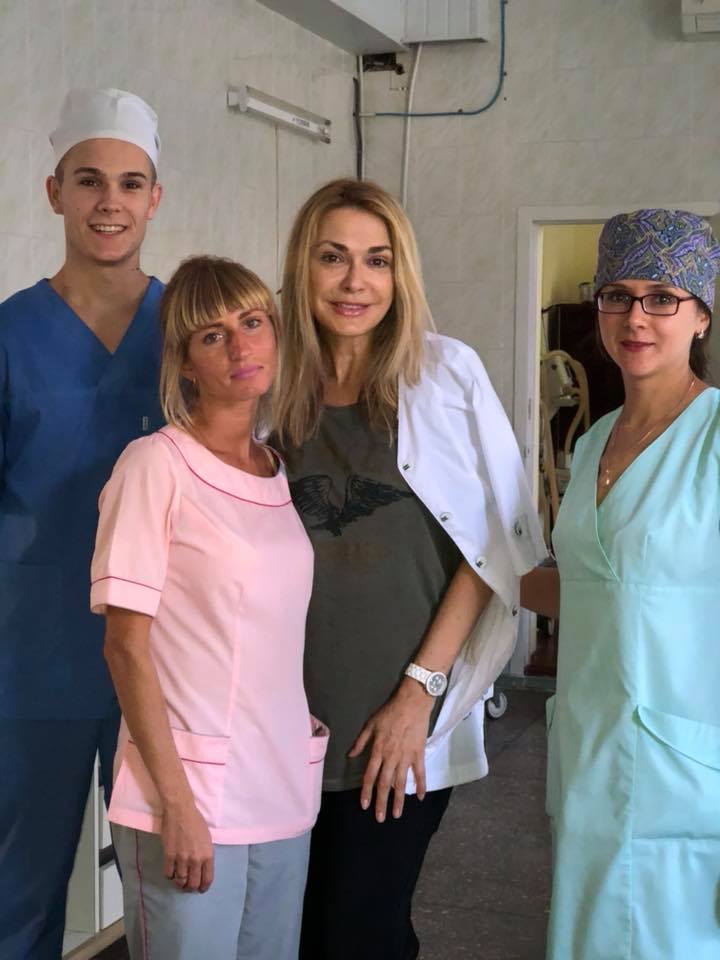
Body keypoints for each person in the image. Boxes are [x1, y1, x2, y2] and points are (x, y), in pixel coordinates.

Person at [273, 177, 546, 960]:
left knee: (361, 931)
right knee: (291, 933)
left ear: (401, 274)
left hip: (396, 721)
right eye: (333, 257)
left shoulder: (445, 375)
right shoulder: (271, 384)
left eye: (377, 260)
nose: (354, 282)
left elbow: (494, 546)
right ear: (302, 266)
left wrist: (417, 695)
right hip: (279, 719)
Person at [90, 256, 327, 960]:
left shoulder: (275, 469)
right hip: (188, 795)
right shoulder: (154, 465)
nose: (240, 346)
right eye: (212, 335)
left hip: (279, 785)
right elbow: (125, 647)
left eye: (253, 323)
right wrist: (176, 804)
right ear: (185, 362)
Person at [521, 209, 720, 960]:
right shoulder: (597, 440)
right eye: (617, 295)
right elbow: (594, 587)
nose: (636, 317)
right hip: (589, 757)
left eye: (662, 297)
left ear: (701, 315)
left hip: (689, 778)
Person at [0, 88, 163, 959]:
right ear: (53, 191)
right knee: (18, 896)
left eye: (130, 183)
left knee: (173, 894)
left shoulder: (193, 330)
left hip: (167, 658)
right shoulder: (10, 335)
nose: (110, 202)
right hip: (33, 663)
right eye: (89, 180)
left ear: (155, 198)